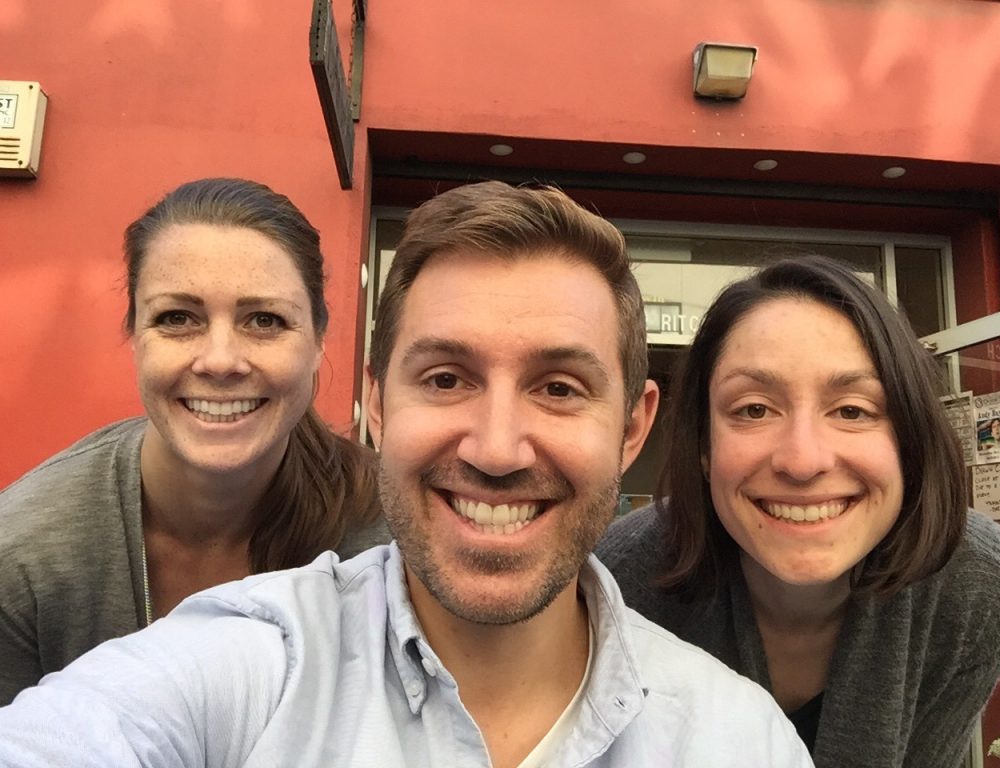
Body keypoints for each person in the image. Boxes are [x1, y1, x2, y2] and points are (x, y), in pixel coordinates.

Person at [0, 181, 814, 767]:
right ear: (377, 408)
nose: (497, 450)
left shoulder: (740, 738)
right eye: (446, 379)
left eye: (558, 388)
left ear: (634, 425)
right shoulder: (247, 663)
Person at [596, 255, 1000, 768]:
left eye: (852, 411)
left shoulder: (978, 582)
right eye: (754, 409)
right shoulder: (614, 585)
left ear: (911, 441)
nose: (802, 461)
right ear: (704, 447)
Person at [0, 178, 389, 706]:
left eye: (265, 320)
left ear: (319, 340)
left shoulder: (389, 532)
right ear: (135, 335)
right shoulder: (24, 558)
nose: (220, 360)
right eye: (177, 318)